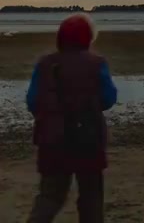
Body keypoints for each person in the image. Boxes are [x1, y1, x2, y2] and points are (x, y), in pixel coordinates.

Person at [25, 13, 118, 223]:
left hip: (52, 140)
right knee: (91, 198)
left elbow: (33, 101)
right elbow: (109, 98)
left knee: (49, 197)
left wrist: (50, 117)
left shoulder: (45, 64)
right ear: (88, 37)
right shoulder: (97, 63)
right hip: (89, 137)